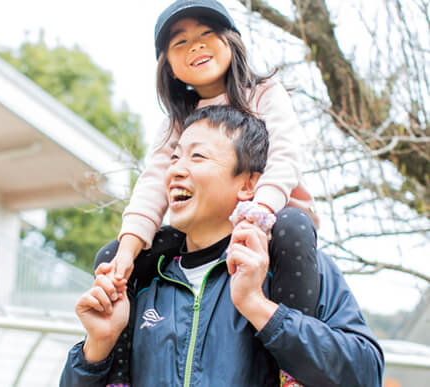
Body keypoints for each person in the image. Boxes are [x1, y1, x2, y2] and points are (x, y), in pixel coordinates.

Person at [60, 105, 384, 386]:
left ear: (248, 185)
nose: (175, 170)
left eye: (197, 156)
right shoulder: (142, 280)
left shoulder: (293, 267)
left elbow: (366, 374)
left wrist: (259, 307)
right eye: (174, 158)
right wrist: (97, 347)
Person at [96, 0, 320, 384]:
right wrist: (127, 255)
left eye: (206, 35)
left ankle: (292, 372)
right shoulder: (175, 123)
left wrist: (258, 212)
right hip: (206, 231)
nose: (195, 46)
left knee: (294, 226)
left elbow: (286, 154)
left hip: (268, 216)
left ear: (231, 41)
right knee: (113, 253)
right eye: (180, 43)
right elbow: (153, 184)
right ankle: (118, 375)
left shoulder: (262, 93)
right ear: (167, 65)